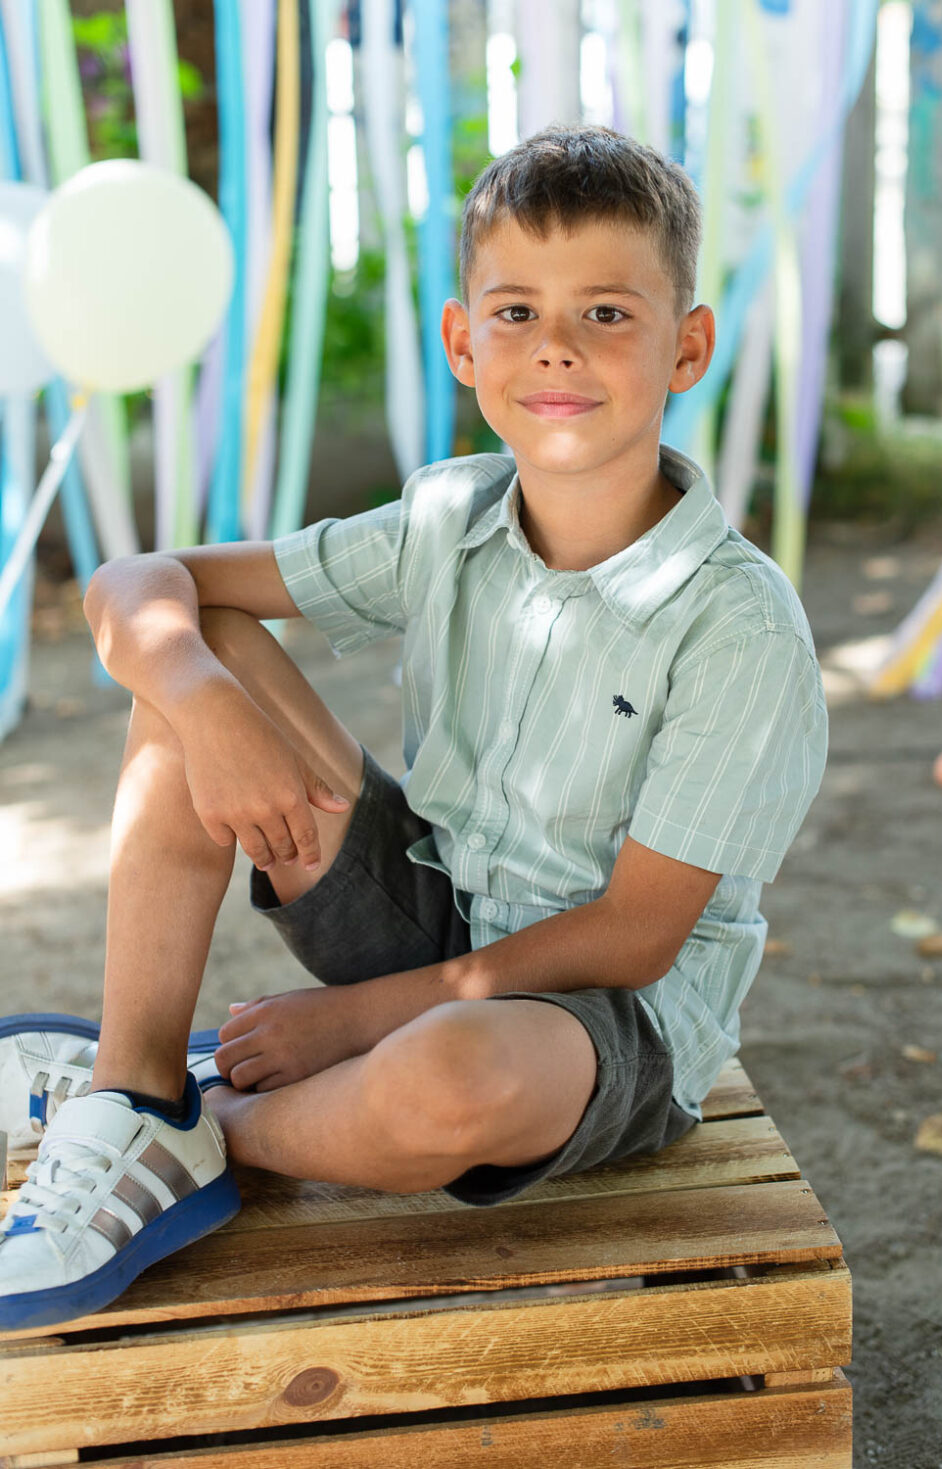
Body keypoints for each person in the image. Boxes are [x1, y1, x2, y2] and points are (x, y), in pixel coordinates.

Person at [0, 124, 828, 1331]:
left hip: (599, 1022)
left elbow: (634, 937)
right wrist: (203, 700)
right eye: (513, 312)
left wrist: (346, 1022)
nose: (553, 344)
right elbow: (140, 579)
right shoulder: (449, 513)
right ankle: (130, 1083)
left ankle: (199, 1132)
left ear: (685, 345)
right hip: (428, 908)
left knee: (449, 1077)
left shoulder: (737, 627)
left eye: (606, 312)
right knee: (209, 636)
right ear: (459, 340)